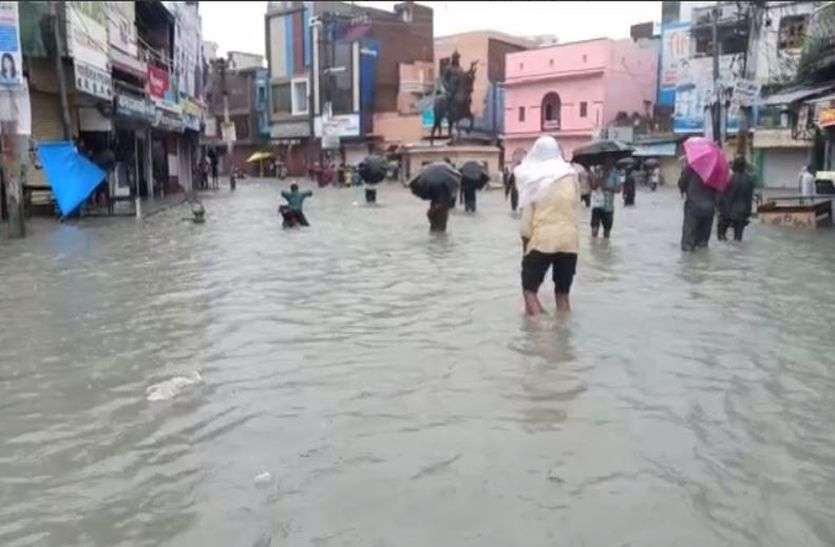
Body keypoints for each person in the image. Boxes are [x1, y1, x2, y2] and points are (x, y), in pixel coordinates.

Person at [516, 136, 579, 316]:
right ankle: (563, 337)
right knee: (563, 295)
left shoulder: (534, 179)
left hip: (542, 241)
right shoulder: (571, 176)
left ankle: (538, 334)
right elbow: (576, 211)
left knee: (529, 291)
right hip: (570, 243)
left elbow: (526, 226)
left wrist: (525, 251)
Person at [678, 162, 718, 251]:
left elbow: (681, 184)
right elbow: (719, 189)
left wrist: (683, 189)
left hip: (693, 207)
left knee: (688, 242)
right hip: (709, 209)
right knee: (703, 243)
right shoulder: (715, 171)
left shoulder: (691, 168)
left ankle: (689, 262)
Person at [717, 157, 755, 241]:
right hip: (743, 213)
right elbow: (749, 198)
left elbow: (722, 195)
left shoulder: (729, 178)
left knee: (721, 236)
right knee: (738, 239)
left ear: (734, 166)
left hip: (727, 212)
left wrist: (719, 208)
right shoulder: (750, 180)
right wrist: (748, 213)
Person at [590, 158, 622, 238]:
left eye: (609, 161)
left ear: (612, 163)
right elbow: (593, 187)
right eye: (605, 161)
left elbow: (618, 190)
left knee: (607, 232)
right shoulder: (598, 171)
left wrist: (607, 188)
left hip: (608, 207)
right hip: (597, 205)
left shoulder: (616, 174)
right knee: (594, 230)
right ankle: (595, 248)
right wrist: (598, 179)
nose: (606, 163)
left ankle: (605, 246)